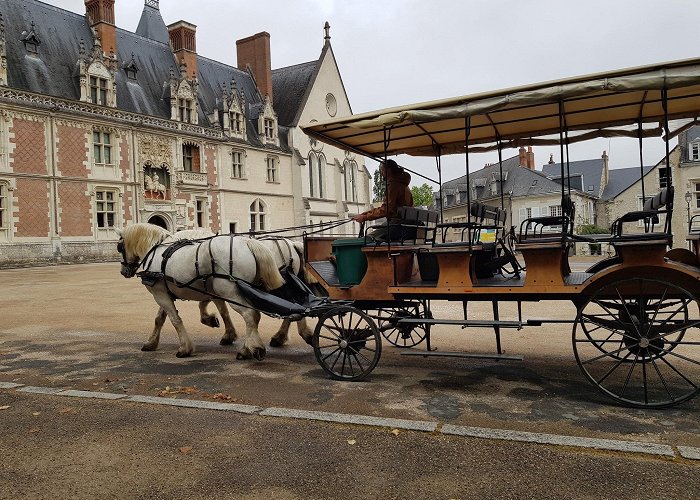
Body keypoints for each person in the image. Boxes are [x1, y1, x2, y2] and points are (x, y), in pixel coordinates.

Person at [353, 159, 414, 241]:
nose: (381, 173)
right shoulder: (403, 184)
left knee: (366, 240)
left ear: (388, 170)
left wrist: (364, 217)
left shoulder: (394, 185)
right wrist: (364, 215)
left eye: (382, 170)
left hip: (397, 225)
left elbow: (386, 209)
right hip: (406, 224)